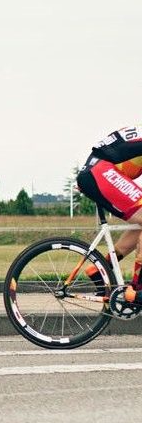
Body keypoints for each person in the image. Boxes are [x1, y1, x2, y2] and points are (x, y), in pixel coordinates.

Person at [76, 124, 142, 300]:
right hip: (101, 172)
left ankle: (100, 269)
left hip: (96, 170)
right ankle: (137, 289)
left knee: (139, 225)